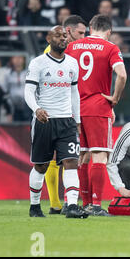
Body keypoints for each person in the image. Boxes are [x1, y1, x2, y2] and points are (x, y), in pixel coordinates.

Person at [66, 14, 127, 216]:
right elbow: (122, 74)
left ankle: (81, 202)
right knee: (99, 155)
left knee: (81, 156)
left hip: (75, 108)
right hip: (98, 107)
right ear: (109, 31)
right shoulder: (111, 48)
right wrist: (115, 98)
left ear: (91, 28)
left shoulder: (73, 47)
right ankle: (96, 204)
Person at [24, 26, 87, 219]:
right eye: (58, 36)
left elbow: (74, 93)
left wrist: (77, 119)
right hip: (45, 121)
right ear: (49, 38)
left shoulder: (73, 63)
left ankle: (71, 206)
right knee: (41, 166)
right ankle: (34, 206)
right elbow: (28, 92)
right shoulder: (38, 63)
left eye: (64, 36)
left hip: (66, 121)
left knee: (71, 162)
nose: (63, 39)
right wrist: (37, 109)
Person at [43, 15, 87, 215]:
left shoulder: (71, 54)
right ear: (68, 31)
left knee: (68, 158)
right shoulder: (53, 52)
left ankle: (63, 203)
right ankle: (55, 203)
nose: (83, 37)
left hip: (68, 113)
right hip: (51, 114)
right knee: (53, 158)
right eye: (80, 33)